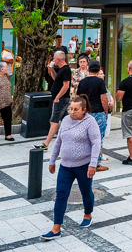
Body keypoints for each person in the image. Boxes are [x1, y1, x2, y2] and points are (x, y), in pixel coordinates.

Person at [42, 95, 101, 240]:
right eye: (71, 109)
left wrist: (93, 164)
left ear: (84, 110)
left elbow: (96, 143)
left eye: (76, 109)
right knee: (61, 194)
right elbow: (59, 141)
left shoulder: (90, 122)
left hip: (84, 165)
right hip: (66, 165)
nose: (72, 112)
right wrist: (52, 160)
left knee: (86, 191)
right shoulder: (66, 120)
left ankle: (88, 214)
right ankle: (56, 228)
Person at [77, 60, 111, 172]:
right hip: (98, 112)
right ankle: (95, 163)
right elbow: (103, 98)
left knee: (85, 137)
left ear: (88, 68)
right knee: (98, 138)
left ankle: (84, 160)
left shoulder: (82, 82)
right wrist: (106, 112)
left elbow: (78, 97)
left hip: (86, 112)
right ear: (99, 69)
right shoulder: (100, 82)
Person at [35, 52, 72, 150]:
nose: (53, 61)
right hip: (59, 98)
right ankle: (72, 138)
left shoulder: (66, 70)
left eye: (54, 59)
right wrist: (51, 70)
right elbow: (56, 79)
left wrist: (58, 97)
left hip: (61, 99)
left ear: (59, 59)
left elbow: (66, 85)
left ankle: (46, 143)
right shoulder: (60, 70)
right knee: (66, 119)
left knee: (54, 120)